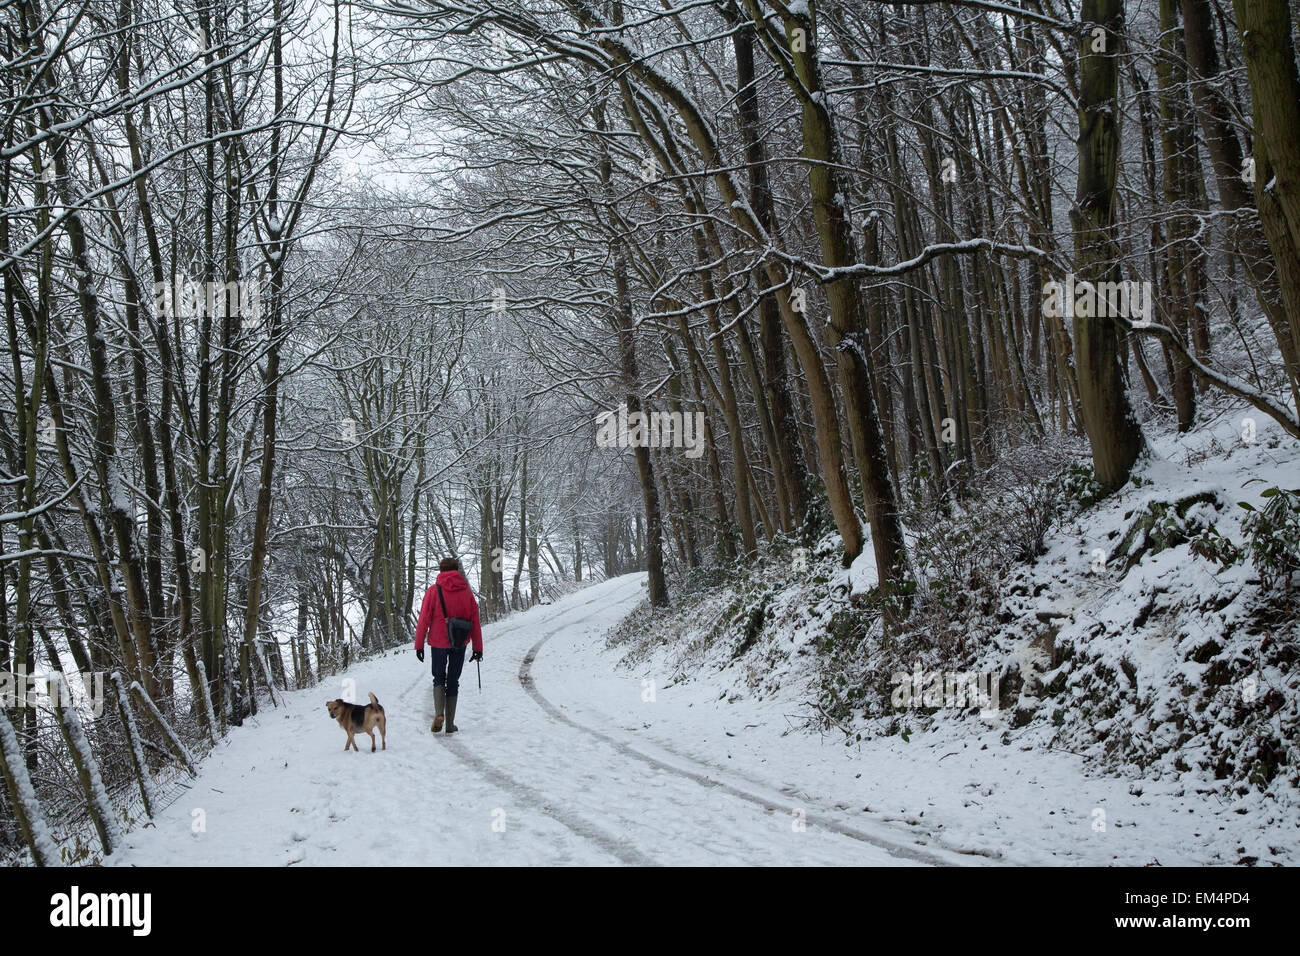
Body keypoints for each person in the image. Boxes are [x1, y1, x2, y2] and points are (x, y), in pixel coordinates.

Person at [414, 557, 484, 734]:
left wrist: (419, 645)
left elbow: (423, 619)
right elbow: (475, 621)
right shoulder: (466, 592)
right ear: (457, 570)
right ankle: (450, 724)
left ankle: (439, 714)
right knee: (453, 681)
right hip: (459, 641)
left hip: (438, 642)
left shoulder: (433, 591)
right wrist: (478, 648)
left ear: (441, 570)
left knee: (439, 677)